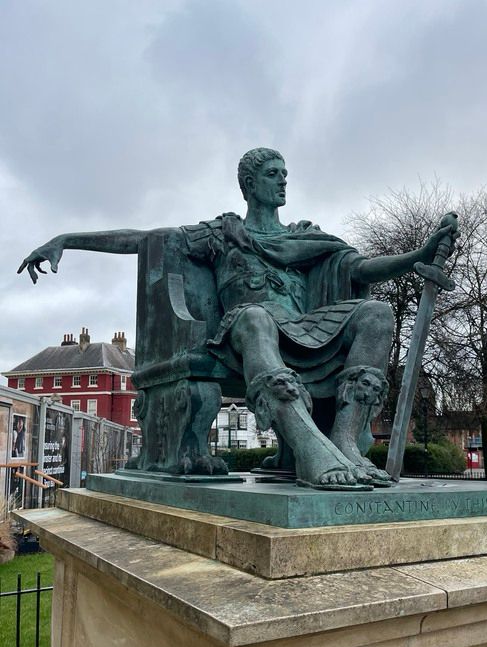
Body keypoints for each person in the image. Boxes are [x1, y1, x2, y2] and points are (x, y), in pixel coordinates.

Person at [19, 148, 456, 490]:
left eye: (286, 173)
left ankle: (343, 440)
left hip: (304, 334)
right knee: (254, 317)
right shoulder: (223, 234)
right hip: (242, 334)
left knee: (377, 313)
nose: (283, 180)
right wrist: (67, 239)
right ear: (249, 184)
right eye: (272, 173)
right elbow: (147, 240)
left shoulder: (304, 237)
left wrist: (419, 256)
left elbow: (360, 269)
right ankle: (308, 448)